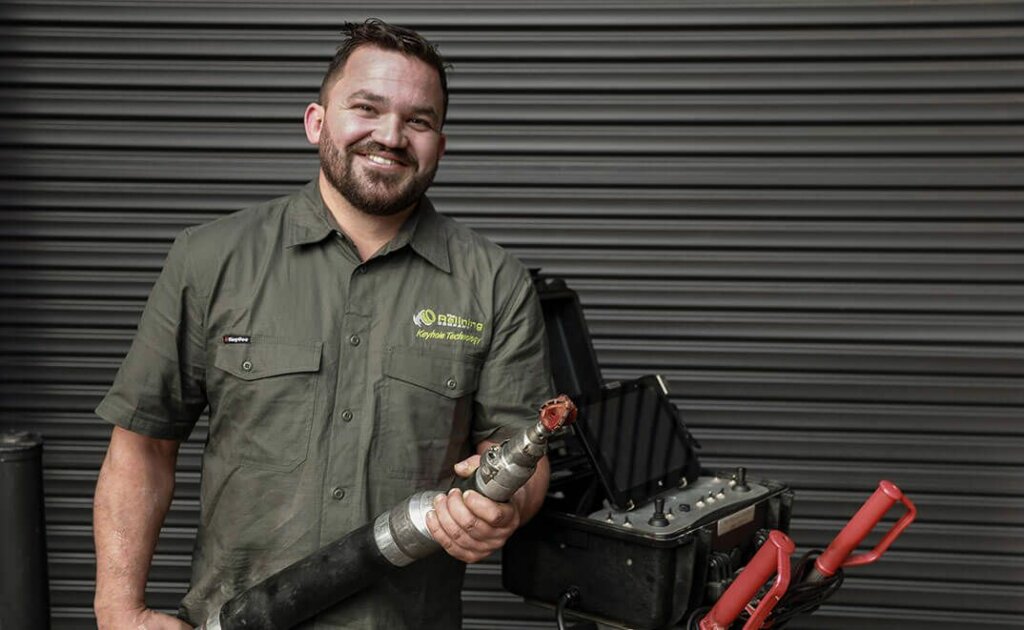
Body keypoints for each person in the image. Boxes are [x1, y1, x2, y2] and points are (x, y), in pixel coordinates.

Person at [92, 18, 553, 630]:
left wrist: (504, 506)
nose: (390, 135)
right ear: (317, 121)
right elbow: (142, 447)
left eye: (418, 120)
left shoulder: (495, 283)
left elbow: (521, 452)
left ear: (441, 143)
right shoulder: (210, 259)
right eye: (367, 107)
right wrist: (118, 609)